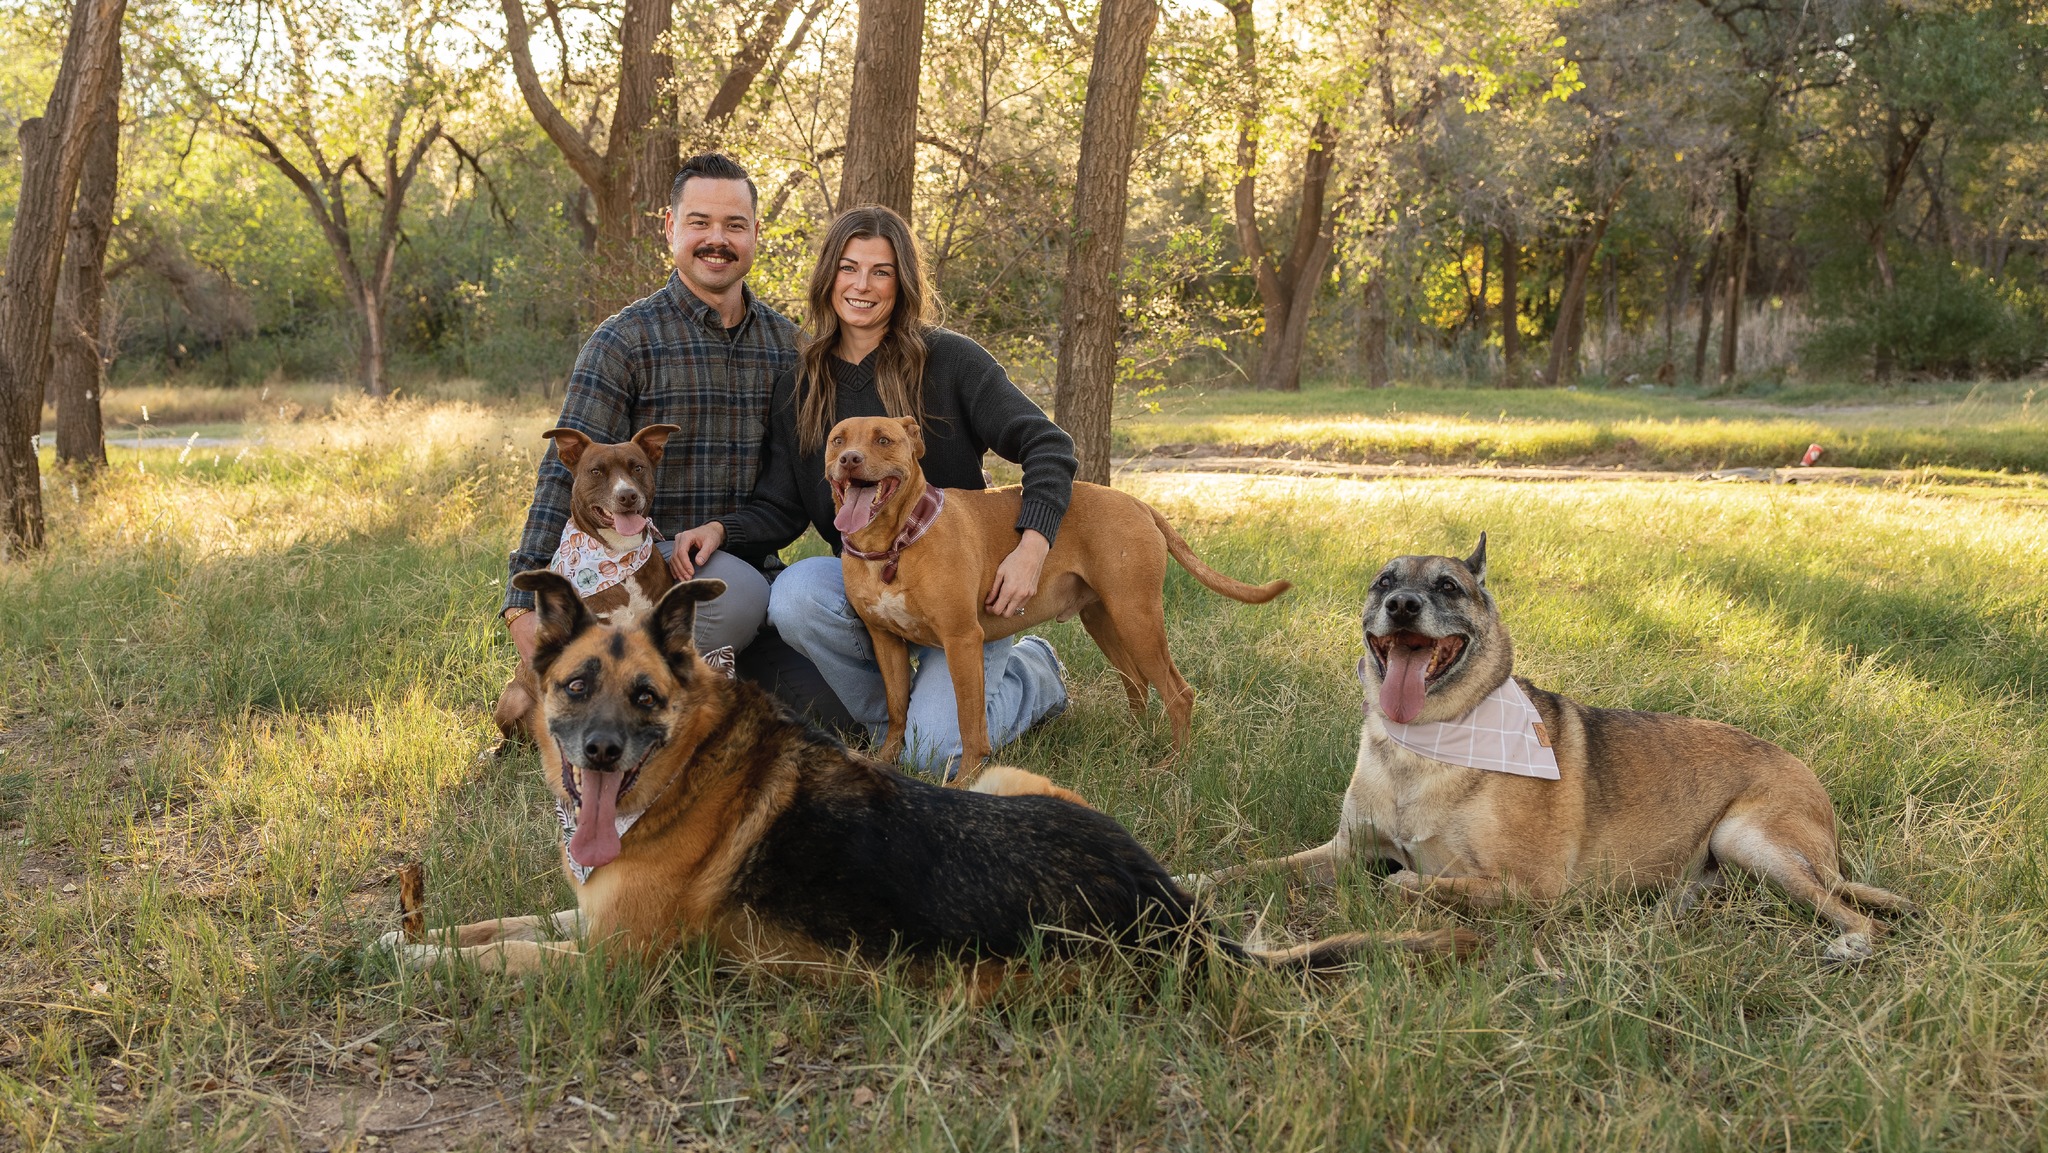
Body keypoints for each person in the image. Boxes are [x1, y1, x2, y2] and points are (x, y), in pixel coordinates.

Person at [671, 205, 1072, 776]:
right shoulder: (802, 382)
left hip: (962, 591)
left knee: (937, 756)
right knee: (795, 593)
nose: (862, 286)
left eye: (880, 272)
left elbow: (1049, 445)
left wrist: (1032, 547)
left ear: (902, 282)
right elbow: (782, 506)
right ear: (828, 276)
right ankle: (895, 725)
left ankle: (1034, 675)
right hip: (871, 580)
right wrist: (722, 529)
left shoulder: (952, 360)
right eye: (848, 268)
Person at [501, 152, 848, 722]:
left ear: (756, 233)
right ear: (670, 228)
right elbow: (562, 482)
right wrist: (523, 608)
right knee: (729, 597)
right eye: (700, 223)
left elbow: (807, 484)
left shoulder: (791, 348)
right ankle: (633, 703)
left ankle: (1033, 669)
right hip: (649, 577)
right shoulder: (625, 341)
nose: (718, 239)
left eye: (735, 225)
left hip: (755, 585)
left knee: (832, 712)